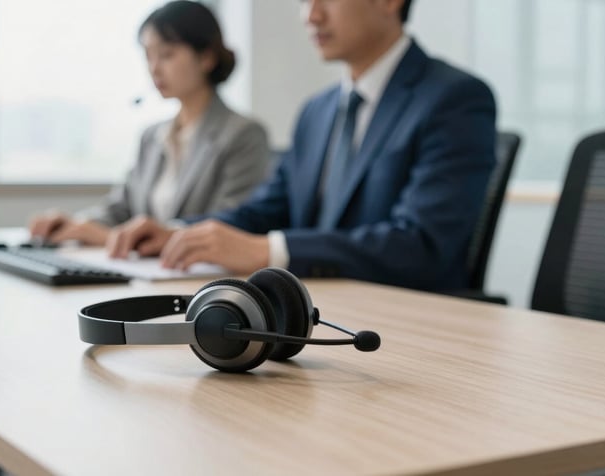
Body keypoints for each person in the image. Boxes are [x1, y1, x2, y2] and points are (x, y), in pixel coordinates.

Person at [106, 0, 497, 291]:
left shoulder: (455, 99)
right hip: (320, 314)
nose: (310, 15)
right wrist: (177, 232)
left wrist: (270, 251)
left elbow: (421, 244)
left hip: (413, 327)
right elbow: (267, 210)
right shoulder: (318, 110)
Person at [28, 1, 270, 246]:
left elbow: (229, 229)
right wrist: (76, 225)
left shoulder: (244, 134)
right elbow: (121, 209)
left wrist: (111, 239)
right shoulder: (152, 136)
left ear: (206, 57)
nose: (154, 68)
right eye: (148, 56)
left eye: (166, 54)